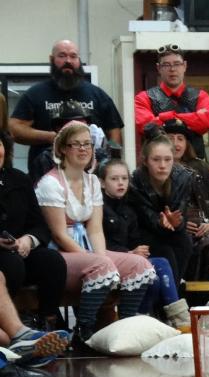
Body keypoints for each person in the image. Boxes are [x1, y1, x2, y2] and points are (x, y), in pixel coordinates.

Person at [36, 122, 155, 347]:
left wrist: (101, 256)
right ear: (62, 148)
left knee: (139, 265)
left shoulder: (91, 181)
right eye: (76, 144)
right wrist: (96, 260)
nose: (83, 149)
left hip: (87, 249)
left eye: (88, 144)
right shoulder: (50, 183)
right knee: (101, 265)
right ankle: (84, 332)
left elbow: (95, 229)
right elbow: (59, 234)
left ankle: (124, 328)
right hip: (58, 253)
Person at [0, 130, 70, 367]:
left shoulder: (19, 179)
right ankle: (24, 340)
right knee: (10, 265)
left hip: (20, 248)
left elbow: (39, 224)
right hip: (4, 258)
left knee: (52, 261)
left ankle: (45, 323)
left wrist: (28, 240)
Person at [9, 40, 123, 179]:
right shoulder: (35, 94)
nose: (68, 60)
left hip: (91, 175)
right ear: (52, 59)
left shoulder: (97, 95)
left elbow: (115, 133)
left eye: (73, 56)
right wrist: (51, 137)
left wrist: (106, 163)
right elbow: (14, 129)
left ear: (79, 60)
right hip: (45, 174)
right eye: (62, 56)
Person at [99, 160, 190, 330]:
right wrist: (129, 252)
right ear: (102, 183)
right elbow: (99, 241)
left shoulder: (129, 209)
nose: (120, 183)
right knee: (161, 263)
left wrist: (138, 250)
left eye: (124, 178)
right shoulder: (100, 207)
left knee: (153, 277)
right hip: (106, 260)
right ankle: (179, 318)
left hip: (131, 260)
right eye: (114, 179)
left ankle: (144, 319)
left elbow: (135, 239)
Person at [126, 127, 197, 287]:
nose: (162, 165)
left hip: (170, 231)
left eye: (167, 159)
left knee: (185, 243)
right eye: (156, 160)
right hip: (144, 231)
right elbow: (143, 216)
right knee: (166, 252)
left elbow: (180, 216)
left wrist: (176, 223)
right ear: (145, 161)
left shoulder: (183, 178)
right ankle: (171, 302)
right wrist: (160, 221)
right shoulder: (136, 181)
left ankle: (172, 295)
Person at [163, 119, 209, 280]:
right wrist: (177, 225)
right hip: (171, 230)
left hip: (204, 227)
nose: (176, 144)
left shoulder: (200, 167)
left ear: (187, 143)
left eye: (180, 138)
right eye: (170, 138)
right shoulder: (156, 169)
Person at [134, 44, 209, 160]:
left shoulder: (201, 96)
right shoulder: (144, 97)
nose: (172, 69)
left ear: (184, 66)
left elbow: (205, 123)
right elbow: (146, 127)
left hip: (195, 164)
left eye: (177, 64)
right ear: (158, 68)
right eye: (166, 65)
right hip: (158, 165)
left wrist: (165, 117)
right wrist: (191, 119)